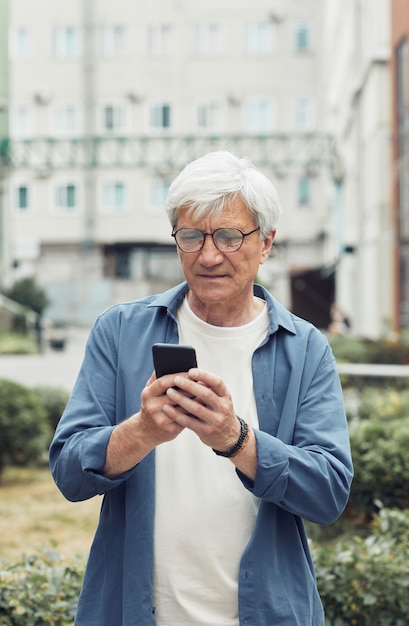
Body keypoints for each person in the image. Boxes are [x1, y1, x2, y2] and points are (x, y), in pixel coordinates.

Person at [49, 150, 353, 626]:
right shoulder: (121, 331)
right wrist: (142, 432)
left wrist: (237, 440)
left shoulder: (306, 348)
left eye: (230, 236)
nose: (209, 255)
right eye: (192, 236)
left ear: (267, 241)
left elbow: (328, 493)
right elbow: (69, 473)